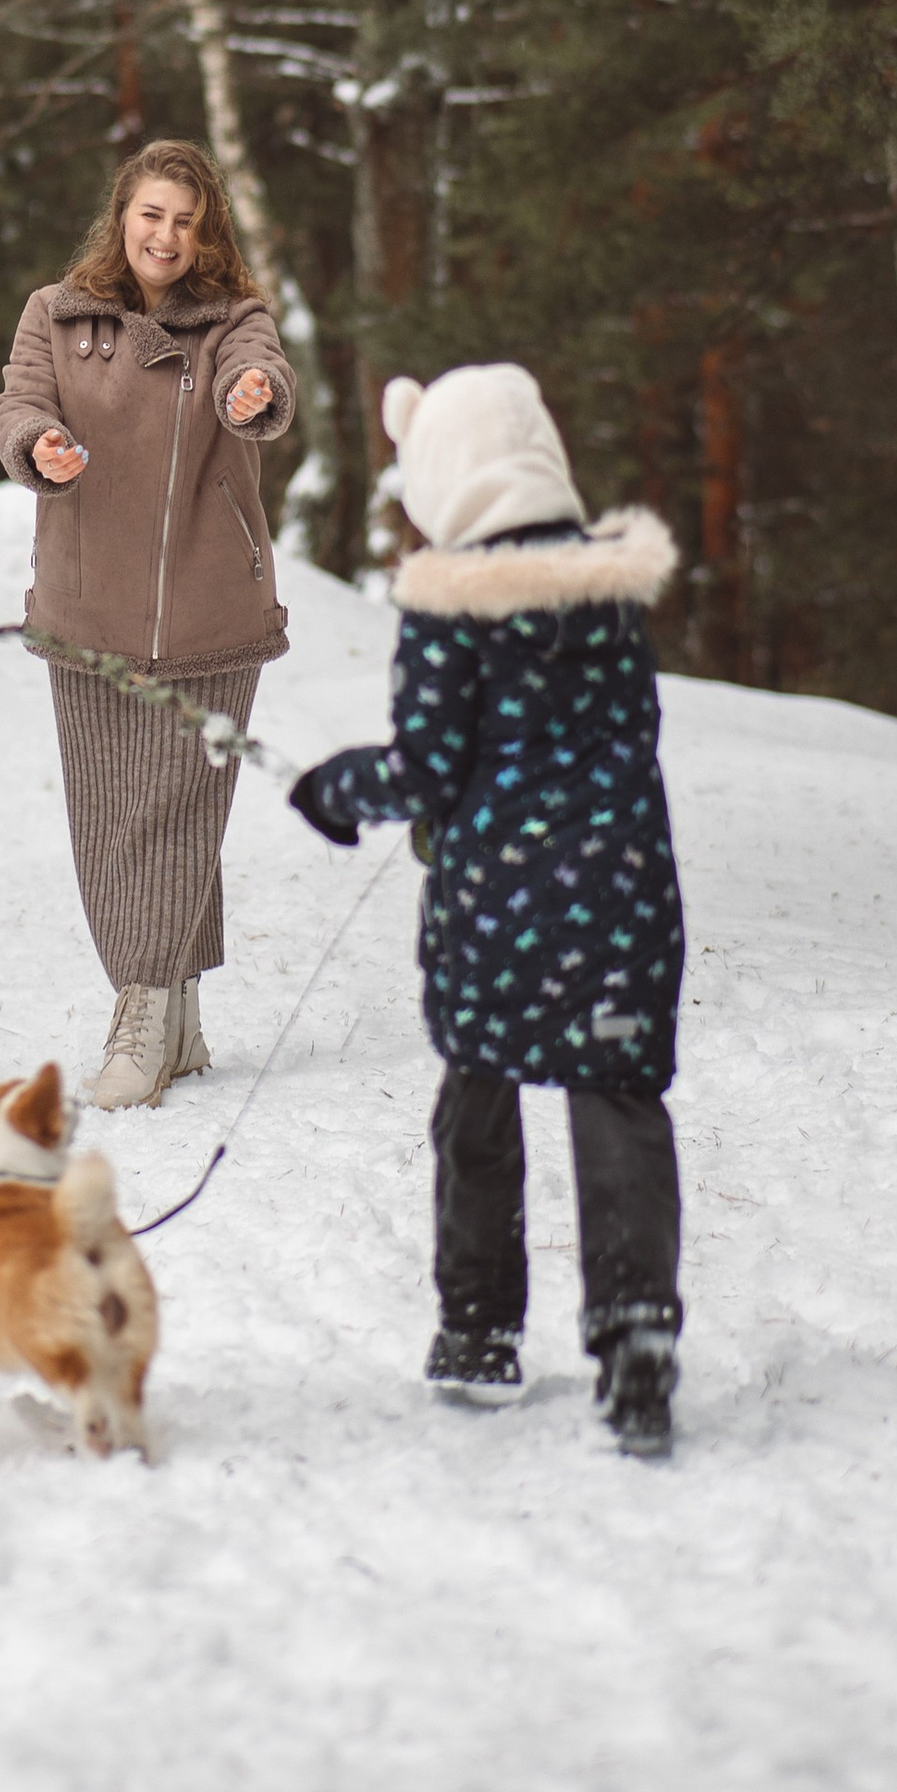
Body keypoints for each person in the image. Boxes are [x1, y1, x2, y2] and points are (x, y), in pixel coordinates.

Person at [287, 365, 688, 1456]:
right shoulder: (608, 588)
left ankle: (477, 1328)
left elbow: (424, 770)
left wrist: (331, 790)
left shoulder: (446, 608)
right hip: (621, 896)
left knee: (477, 1108)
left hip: (496, 912)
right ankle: (636, 1331)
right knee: (617, 1105)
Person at [0, 140, 295, 1110]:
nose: (165, 234)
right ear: (121, 216)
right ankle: (182, 1016)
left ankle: (141, 1009)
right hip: (84, 605)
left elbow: (264, 378)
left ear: (206, 234)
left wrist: (256, 396)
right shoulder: (56, 311)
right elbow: (17, 400)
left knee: (172, 809)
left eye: (185, 219)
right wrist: (35, 442)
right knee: (108, 816)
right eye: (150, 213)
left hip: (208, 609)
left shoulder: (233, 319)